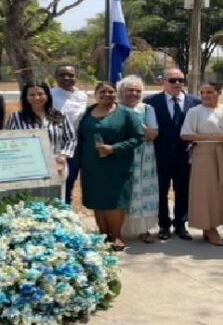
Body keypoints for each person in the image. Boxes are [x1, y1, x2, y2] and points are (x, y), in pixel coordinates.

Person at [77, 81, 144, 251]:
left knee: (115, 202)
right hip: (92, 165)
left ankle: (116, 236)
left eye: (111, 92)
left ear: (116, 93)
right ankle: (103, 234)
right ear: (95, 93)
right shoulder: (87, 112)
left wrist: (114, 148)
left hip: (117, 165)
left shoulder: (126, 113)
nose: (107, 95)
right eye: (103, 91)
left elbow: (138, 138)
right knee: (98, 201)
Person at [180, 82, 223, 246]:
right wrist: (212, 137)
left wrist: (222, 139)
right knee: (205, 192)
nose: (206, 95)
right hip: (204, 153)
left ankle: (215, 224)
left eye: (210, 92)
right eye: (202, 92)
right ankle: (208, 227)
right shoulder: (195, 111)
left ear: (219, 92)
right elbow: (185, 134)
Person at [144, 68, 200, 241]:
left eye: (180, 80)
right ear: (163, 82)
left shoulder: (195, 102)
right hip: (159, 156)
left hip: (185, 156)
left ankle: (181, 224)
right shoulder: (150, 102)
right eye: (172, 80)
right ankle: (164, 225)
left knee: (183, 190)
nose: (177, 83)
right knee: (160, 191)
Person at [6, 80, 77, 201]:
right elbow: (9, 141)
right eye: (32, 95)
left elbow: (71, 139)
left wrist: (63, 156)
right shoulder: (16, 117)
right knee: (29, 200)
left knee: (55, 200)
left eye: (40, 94)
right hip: (27, 167)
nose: (37, 97)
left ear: (47, 96)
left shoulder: (60, 115)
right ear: (26, 98)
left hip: (56, 165)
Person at [117, 75, 160, 243]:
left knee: (142, 191)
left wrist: (135, 121)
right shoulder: (115, 108)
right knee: (122, 192)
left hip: (144, 157)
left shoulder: (147, 109)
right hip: (121, 155)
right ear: (121, 91)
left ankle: (143, 229)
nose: (134, 93)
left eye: (137, 91)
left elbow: (153, 134)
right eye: (130, 90)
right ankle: (117, 230)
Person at [50, 65, 89, 204]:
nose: (66, 78)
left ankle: (65, 212)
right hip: (54, 145)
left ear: (76, 77)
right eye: (62, 75)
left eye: (70, 75)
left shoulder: (82, 96)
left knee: (70, 180)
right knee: (54, 181)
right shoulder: (49, 94)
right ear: (56, 77)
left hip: (76, 146)